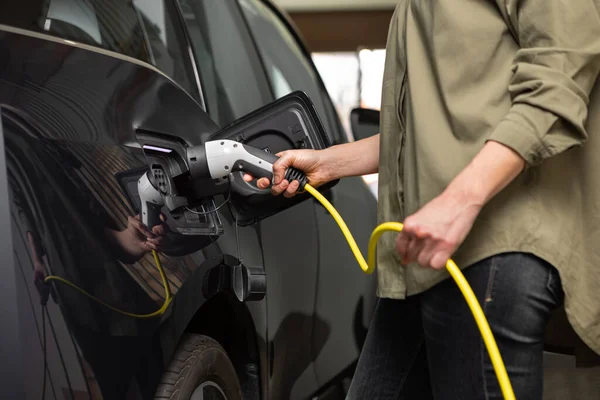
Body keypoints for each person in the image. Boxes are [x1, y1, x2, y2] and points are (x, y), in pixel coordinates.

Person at [245, 0, 600, 399]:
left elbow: (559, 83)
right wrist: (328, 163)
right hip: (423, 255)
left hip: (488, 249)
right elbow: (425, 132)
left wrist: (458, 202)